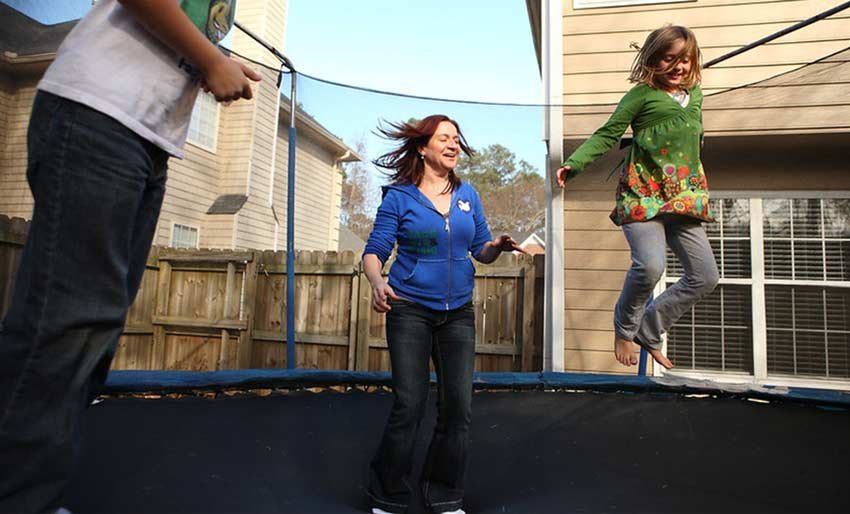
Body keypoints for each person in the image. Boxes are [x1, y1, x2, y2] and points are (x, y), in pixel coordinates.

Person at [0, 1, 260, 512]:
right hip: (99, 112)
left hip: (145, 138)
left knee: (94, 325)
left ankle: (30, 491)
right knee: (66, 321)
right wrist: (210, 61)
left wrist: (211, 60)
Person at [363, 115, 522, 514]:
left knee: (458, 408)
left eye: (456, 139)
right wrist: (377, 282)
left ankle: (444, 493)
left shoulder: (469, 195)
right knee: (410, 403)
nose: (452, 144)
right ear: (423, 147)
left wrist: (497, 245)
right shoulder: (399, 197)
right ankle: (388, 493)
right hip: (410, 310)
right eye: (443, 138)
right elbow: (374, 250)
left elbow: (480, 250)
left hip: (458, 315)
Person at [556, 25, 719, 370]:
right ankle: (625, 329)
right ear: (652, 60)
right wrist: (574, 164)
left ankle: (650, 328)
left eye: (685, 60)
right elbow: (608, 133)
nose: (678, 67)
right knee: (650, 265)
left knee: (705, 276)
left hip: (684, 197)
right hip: (643, 194)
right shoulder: (641, 95)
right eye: (669, 59)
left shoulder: (697, 94)